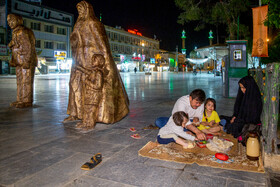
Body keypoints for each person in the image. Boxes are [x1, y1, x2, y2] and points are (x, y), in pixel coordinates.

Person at [64, 1, 129, 127]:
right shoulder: (77, 25)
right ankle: (75, 112)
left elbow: (103, 44)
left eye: (82, 9)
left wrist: (107, 63)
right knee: (74, 85)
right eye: (78, 10)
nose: (80, 12)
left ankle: (92, 117)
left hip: (92, 59)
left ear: (88, 10)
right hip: (78, 60)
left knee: (91, 88)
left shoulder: (94, 23)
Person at [7, 14, 37, 108]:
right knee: (19, 81)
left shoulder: (23, 31)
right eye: (8, 21)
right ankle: (20, 99)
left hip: (25, 61)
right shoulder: (16, 32)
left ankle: (27, 101)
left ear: (19, 20)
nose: (10, 23)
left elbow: (28, 47)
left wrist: (27, 61)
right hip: (18, 61)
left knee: (26, 81)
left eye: (12, 20)